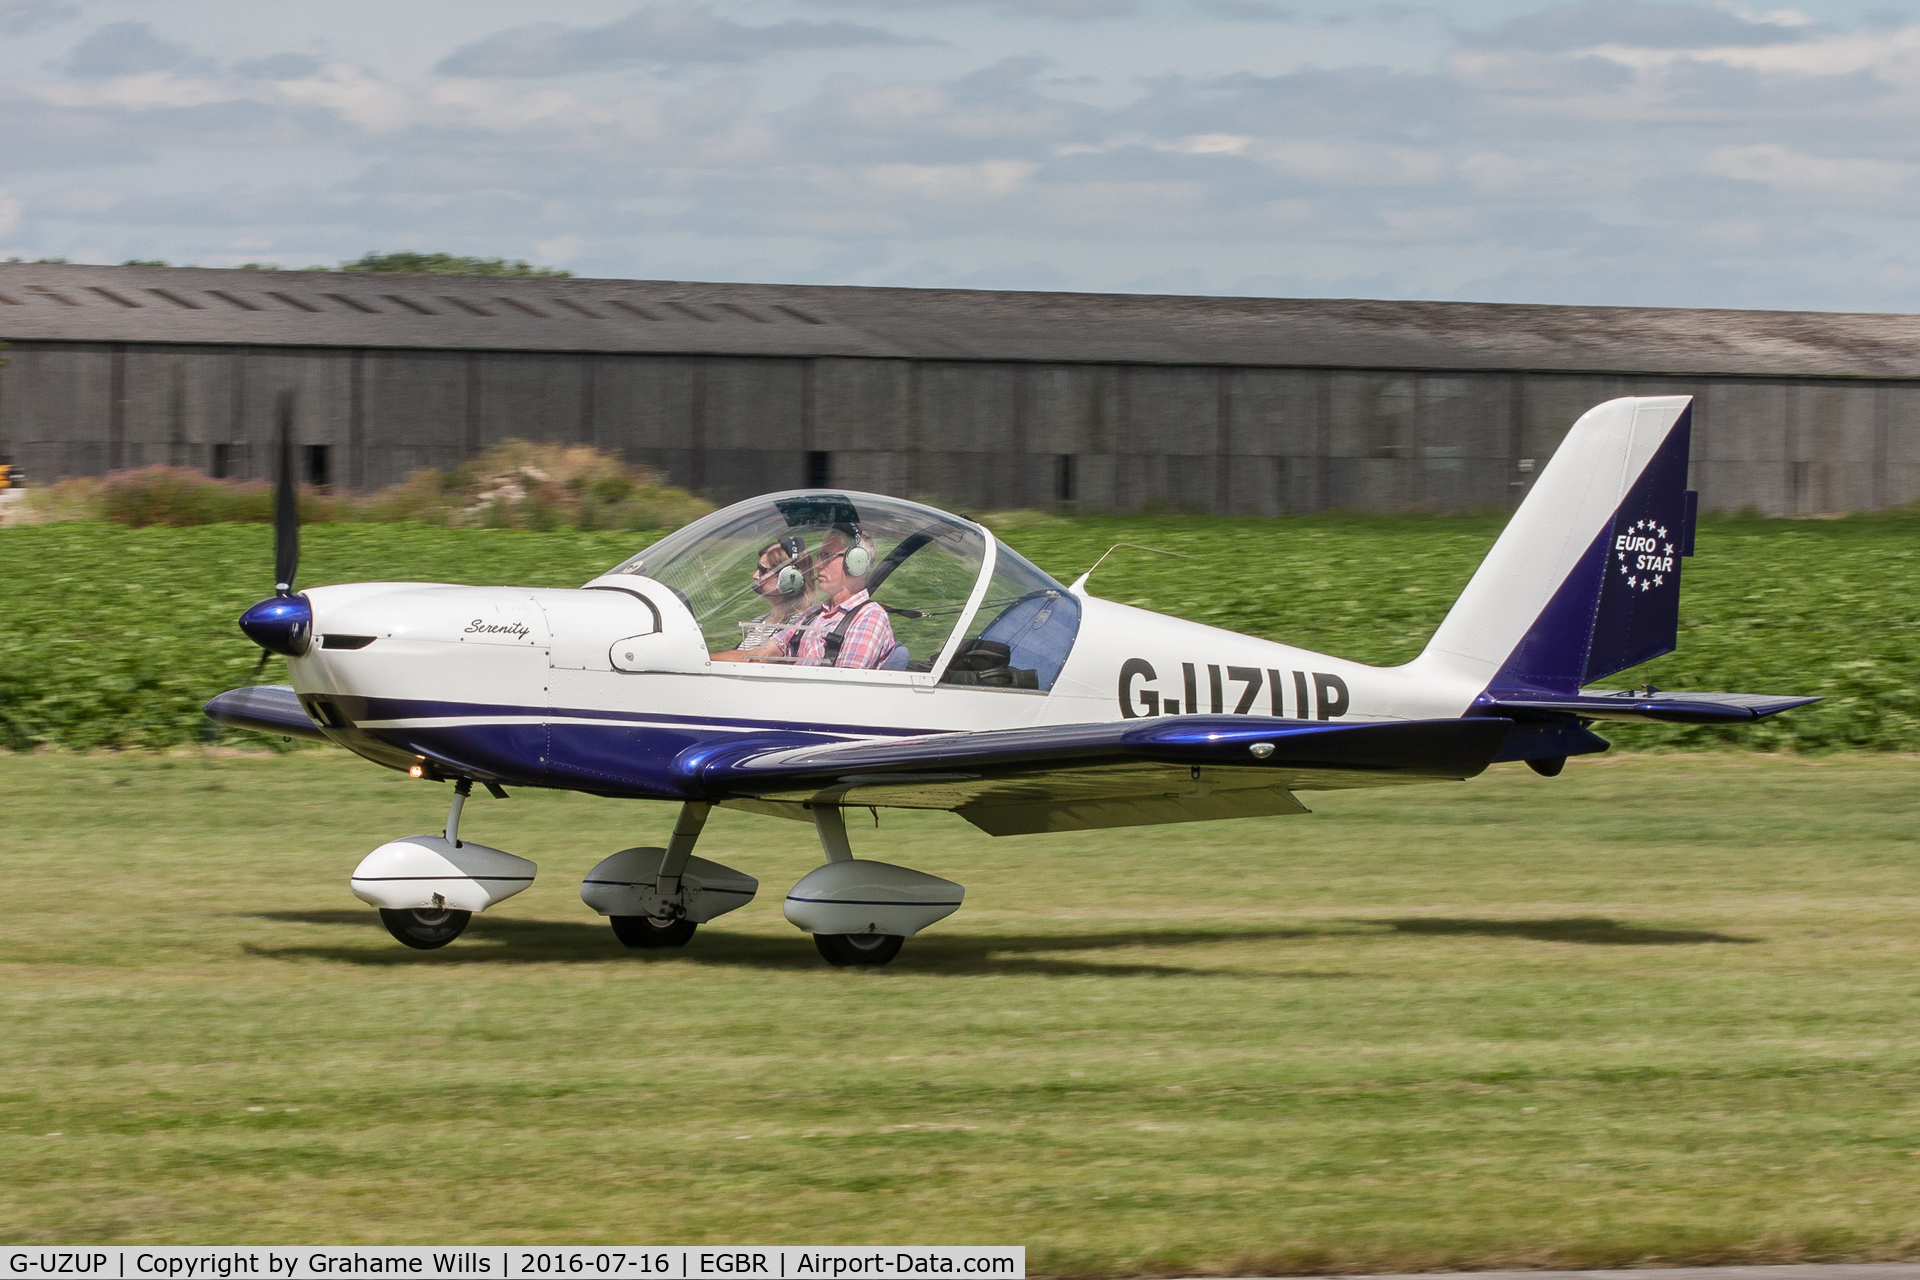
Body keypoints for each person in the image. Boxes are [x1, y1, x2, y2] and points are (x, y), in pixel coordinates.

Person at [785, 525, 895, 669]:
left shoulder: (870, 616)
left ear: (856, 562)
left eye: (826, 556)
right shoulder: (812, 613)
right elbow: (765, 652)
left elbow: (844, 682)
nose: (816, 565)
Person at [711, 535, 816, 663]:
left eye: (763, 570)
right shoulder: (760, 621)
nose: (755, 576)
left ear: (790, 578)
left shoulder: (800, 624)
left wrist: (704, 659)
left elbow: (753, 659)